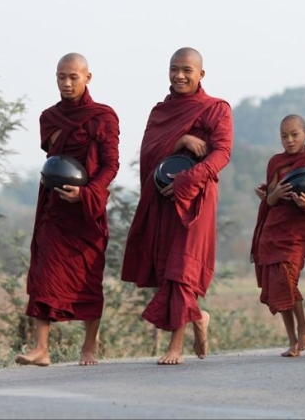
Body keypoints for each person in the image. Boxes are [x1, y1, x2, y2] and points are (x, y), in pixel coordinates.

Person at [121, 47, 233, 365]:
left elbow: (222, 153)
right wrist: (180, 141)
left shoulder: (216, 109)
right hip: (164, 196)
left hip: (196, 198)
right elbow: (148, 154)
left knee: (182, 269)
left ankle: (176, 345)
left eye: (186, 69)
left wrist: (189, 180)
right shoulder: (160, 112)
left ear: (201, 74)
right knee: (171, 266)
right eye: (174, 69)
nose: (179, 75)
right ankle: (198, 317)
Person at [16, 53, 120, 367]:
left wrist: (88, 193)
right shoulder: (49, 118)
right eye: (61, 76)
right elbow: (57, 160)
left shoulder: (103, 117)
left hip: (86, 211)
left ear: (88, 78)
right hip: (55, 208)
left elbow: (109, 165)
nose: (66, 83)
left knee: (89, 278)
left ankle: (89, 347)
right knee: (44, 273)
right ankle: (41, 349)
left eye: (73, 76)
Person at [250, 114, 305, 357]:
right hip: (272, 230)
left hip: (295, 232)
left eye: (295, 134)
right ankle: (292, 340)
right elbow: (271, 199)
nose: (290, 140)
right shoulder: (276, 162)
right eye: (284, 136)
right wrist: (273, 194)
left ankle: (303, 326)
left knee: (288, 279)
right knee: (278, 285)